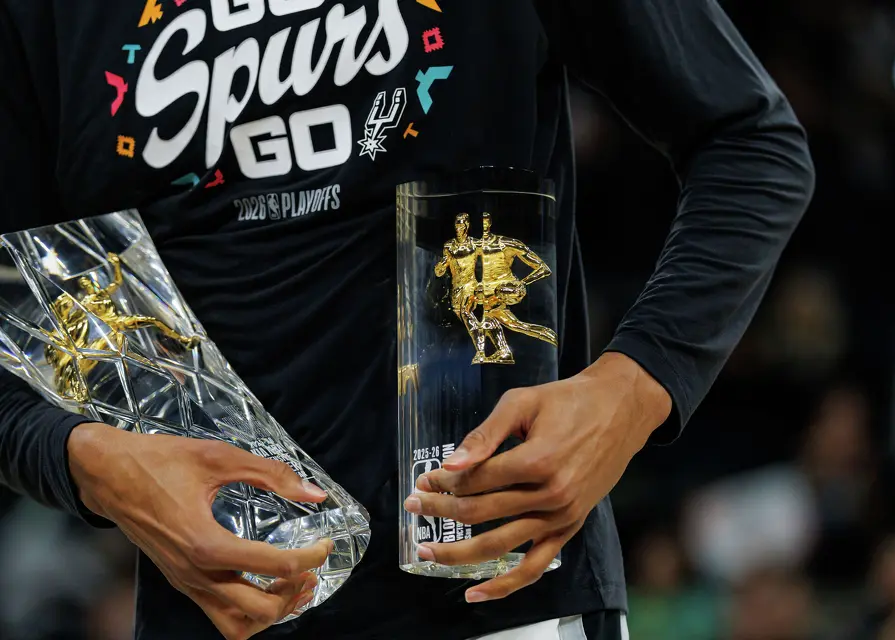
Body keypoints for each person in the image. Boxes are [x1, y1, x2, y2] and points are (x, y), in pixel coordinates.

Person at [0, 0, 814, 639]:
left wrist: (632, 387)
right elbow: (17, 315)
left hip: (509, 602)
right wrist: (85, 461)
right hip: (220, 615)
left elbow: (749, 138)